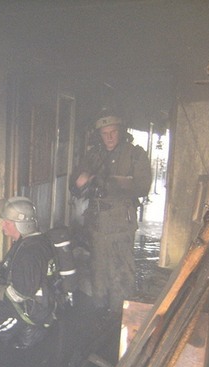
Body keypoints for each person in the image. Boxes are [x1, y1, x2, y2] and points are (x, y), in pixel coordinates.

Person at [69, 110, 152, 325]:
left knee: (121, 269)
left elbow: (142, 186)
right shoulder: (93, 156)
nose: (109, 137)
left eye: (113, 132)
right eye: (104, 133)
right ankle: (99, 311)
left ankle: (119, 316)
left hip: (120, 221)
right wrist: (79, 182)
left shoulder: (135, 154)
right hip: (97, 221)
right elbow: (76, 182)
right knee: (98, 266)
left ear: (121, 131)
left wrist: (104, 181)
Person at [0, 196, 57, 350]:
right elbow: (9, 267)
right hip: (42, 305)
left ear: (21, 224)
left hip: (31, 312)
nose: (2, 224)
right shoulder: (29, 242)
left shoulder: (30, 252)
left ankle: (23, 335)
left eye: (7, 222)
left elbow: (19, 294)